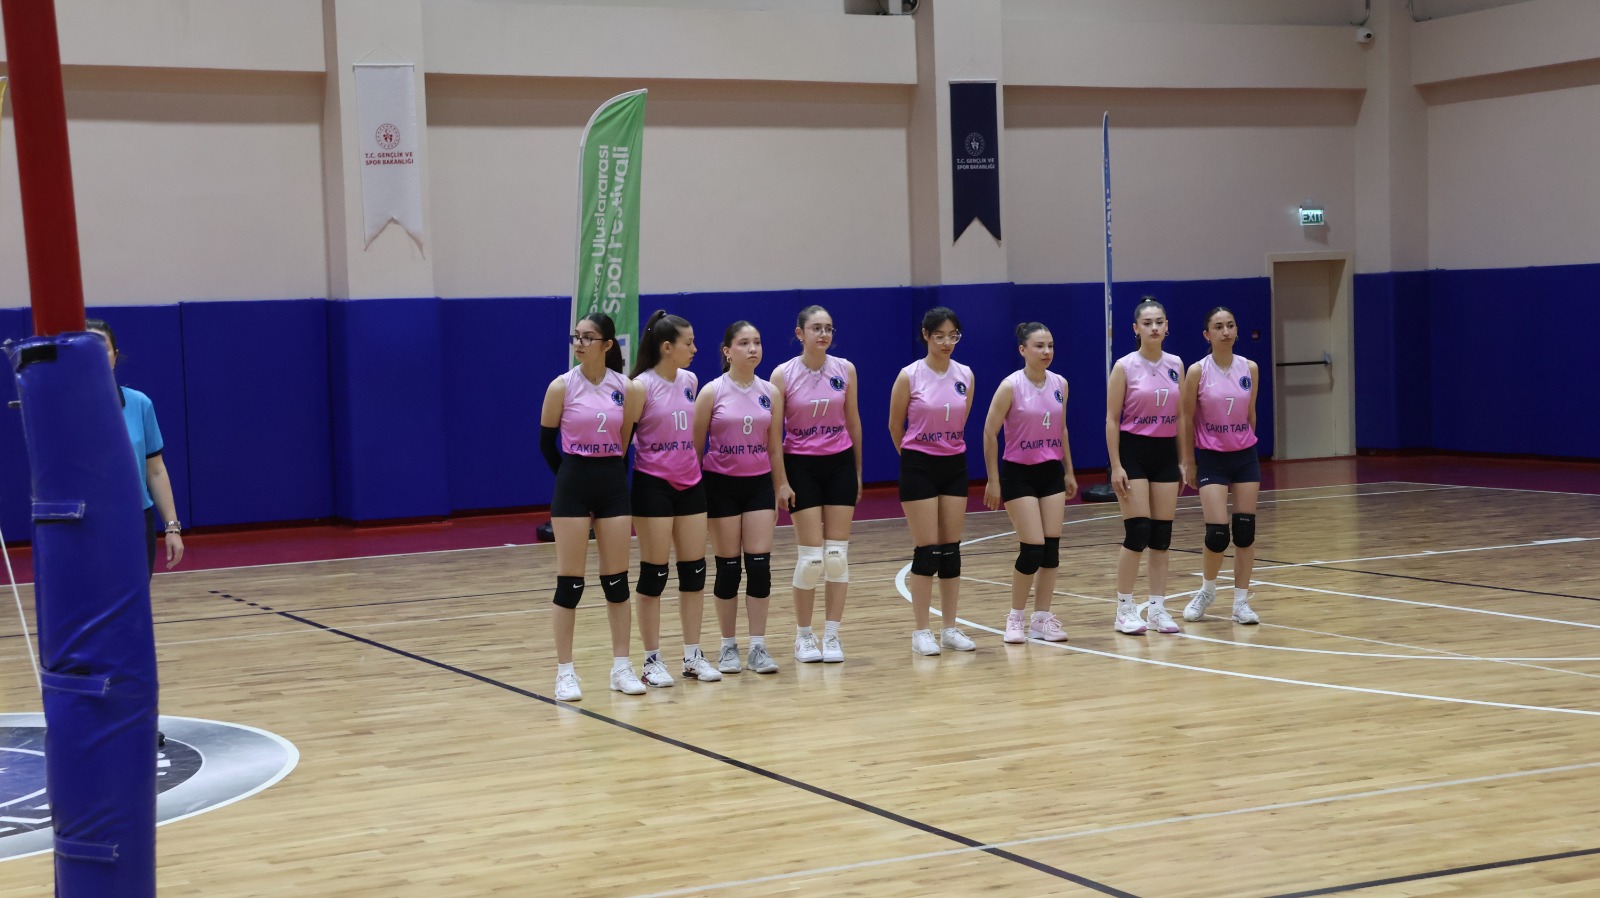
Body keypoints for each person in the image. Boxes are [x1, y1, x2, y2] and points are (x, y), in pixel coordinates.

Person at [539, 312, 645, 701]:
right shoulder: (561, 386)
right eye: (576, 337)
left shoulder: (627, 388)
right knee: (570, 583)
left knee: (617, 581)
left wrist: (607, 477)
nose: (580, 344)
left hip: (612, 484)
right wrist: (569, 479)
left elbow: (625, 440)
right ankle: (565, 672)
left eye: (588, 337)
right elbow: (546, 444)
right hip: (573, 483)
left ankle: (622, 667)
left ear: (608, 344)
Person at [692, 321, 791, 675]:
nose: (753, 349)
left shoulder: (770, 392)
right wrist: (695, 495)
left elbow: (774, 446)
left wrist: (782, 485)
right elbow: (695, 449)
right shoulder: (711, 392)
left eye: (757, 342)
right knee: (729, 568)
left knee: (760, 567)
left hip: (758, 485)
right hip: (720, 486)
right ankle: (728, 646)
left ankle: (758, 647)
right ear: (727, 351)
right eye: (744, 343)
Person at [627, 311, 720, 687]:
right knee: (654, 574)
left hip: (690, 484)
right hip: (653, 486)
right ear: (667, 347)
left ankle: (693, 655)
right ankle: (651, 660)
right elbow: (623, 441)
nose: (695, 349)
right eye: (689, 343)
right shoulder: (640, 387)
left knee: (694, 572)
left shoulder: (690, 381)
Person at [771, 305, 862, 663]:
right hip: (800, 466)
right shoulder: (782, 375)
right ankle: (804, 636)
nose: (823, 334)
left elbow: (853, 422)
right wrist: (781, 481)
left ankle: (833, 634)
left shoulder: (845, 369)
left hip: (839, 464)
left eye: (828, 328)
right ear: (800, 334)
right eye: (816, 328)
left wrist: (857, 472)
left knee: (836, 557)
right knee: (811, 559)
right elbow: (773, 434)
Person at [982, 322, 1078, 643]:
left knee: (1051, 551)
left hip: (1051, 472)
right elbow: (989, 432)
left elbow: (1061, 429)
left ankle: (1041, 619)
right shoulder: (1010, 386)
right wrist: (993, 479)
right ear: (1023, 350)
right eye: (1039, 346)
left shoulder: (1060, 384)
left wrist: (1068, 470)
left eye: (1050, 345)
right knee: (1032, 548)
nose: (1046, 351)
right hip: (1018, 473)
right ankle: (1015, 617)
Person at [888, 307, 976, 655]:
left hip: (954, 464)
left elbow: (961, 420)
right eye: (939, 336)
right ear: (925, 335)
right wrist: (914, 457)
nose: (946, 342)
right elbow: (895, 425)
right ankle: (921, 631)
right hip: (918, 465)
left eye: (953, 336)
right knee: (927, 551)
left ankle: (950, 628)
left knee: (950, 550)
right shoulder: (909, 376)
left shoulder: (965, 374)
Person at [1106, 297, 1185, 636]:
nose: (1154, 327)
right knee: (1138, 531)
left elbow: (1181, 416)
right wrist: (1116, 465)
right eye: (1148, 323)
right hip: (1133, 451)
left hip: (1165, 452)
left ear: (1167, 326)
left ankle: (1157, 608)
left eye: (1159, 322)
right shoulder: (1124, 366)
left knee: (1161, 536)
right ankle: (1124, 608)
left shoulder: (1176, 364)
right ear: (1136, 328)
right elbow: (1111, 419)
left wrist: (1184, 459)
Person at [1180, 307, 1262, 625]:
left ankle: (1241, 602)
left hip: (1245, 456)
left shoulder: (1249, 368)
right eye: (1218, 327)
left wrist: (1247, 443)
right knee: (1217, 534)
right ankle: (1207, 590)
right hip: (1212, 458)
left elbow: (1250, 413)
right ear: (1207, 334)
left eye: (1230, 325)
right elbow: (1186, 418)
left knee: (1244, 531)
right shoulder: (1197, 371)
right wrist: (1188, 461)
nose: (1225, 331)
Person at [87, 320, 185, 578]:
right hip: (87, 524)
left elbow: (155, 470)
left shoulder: (139, 403)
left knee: (136, 599)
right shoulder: (66, 408)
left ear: (115, 355)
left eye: (103, 349)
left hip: (135, 523)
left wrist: (172, 527)